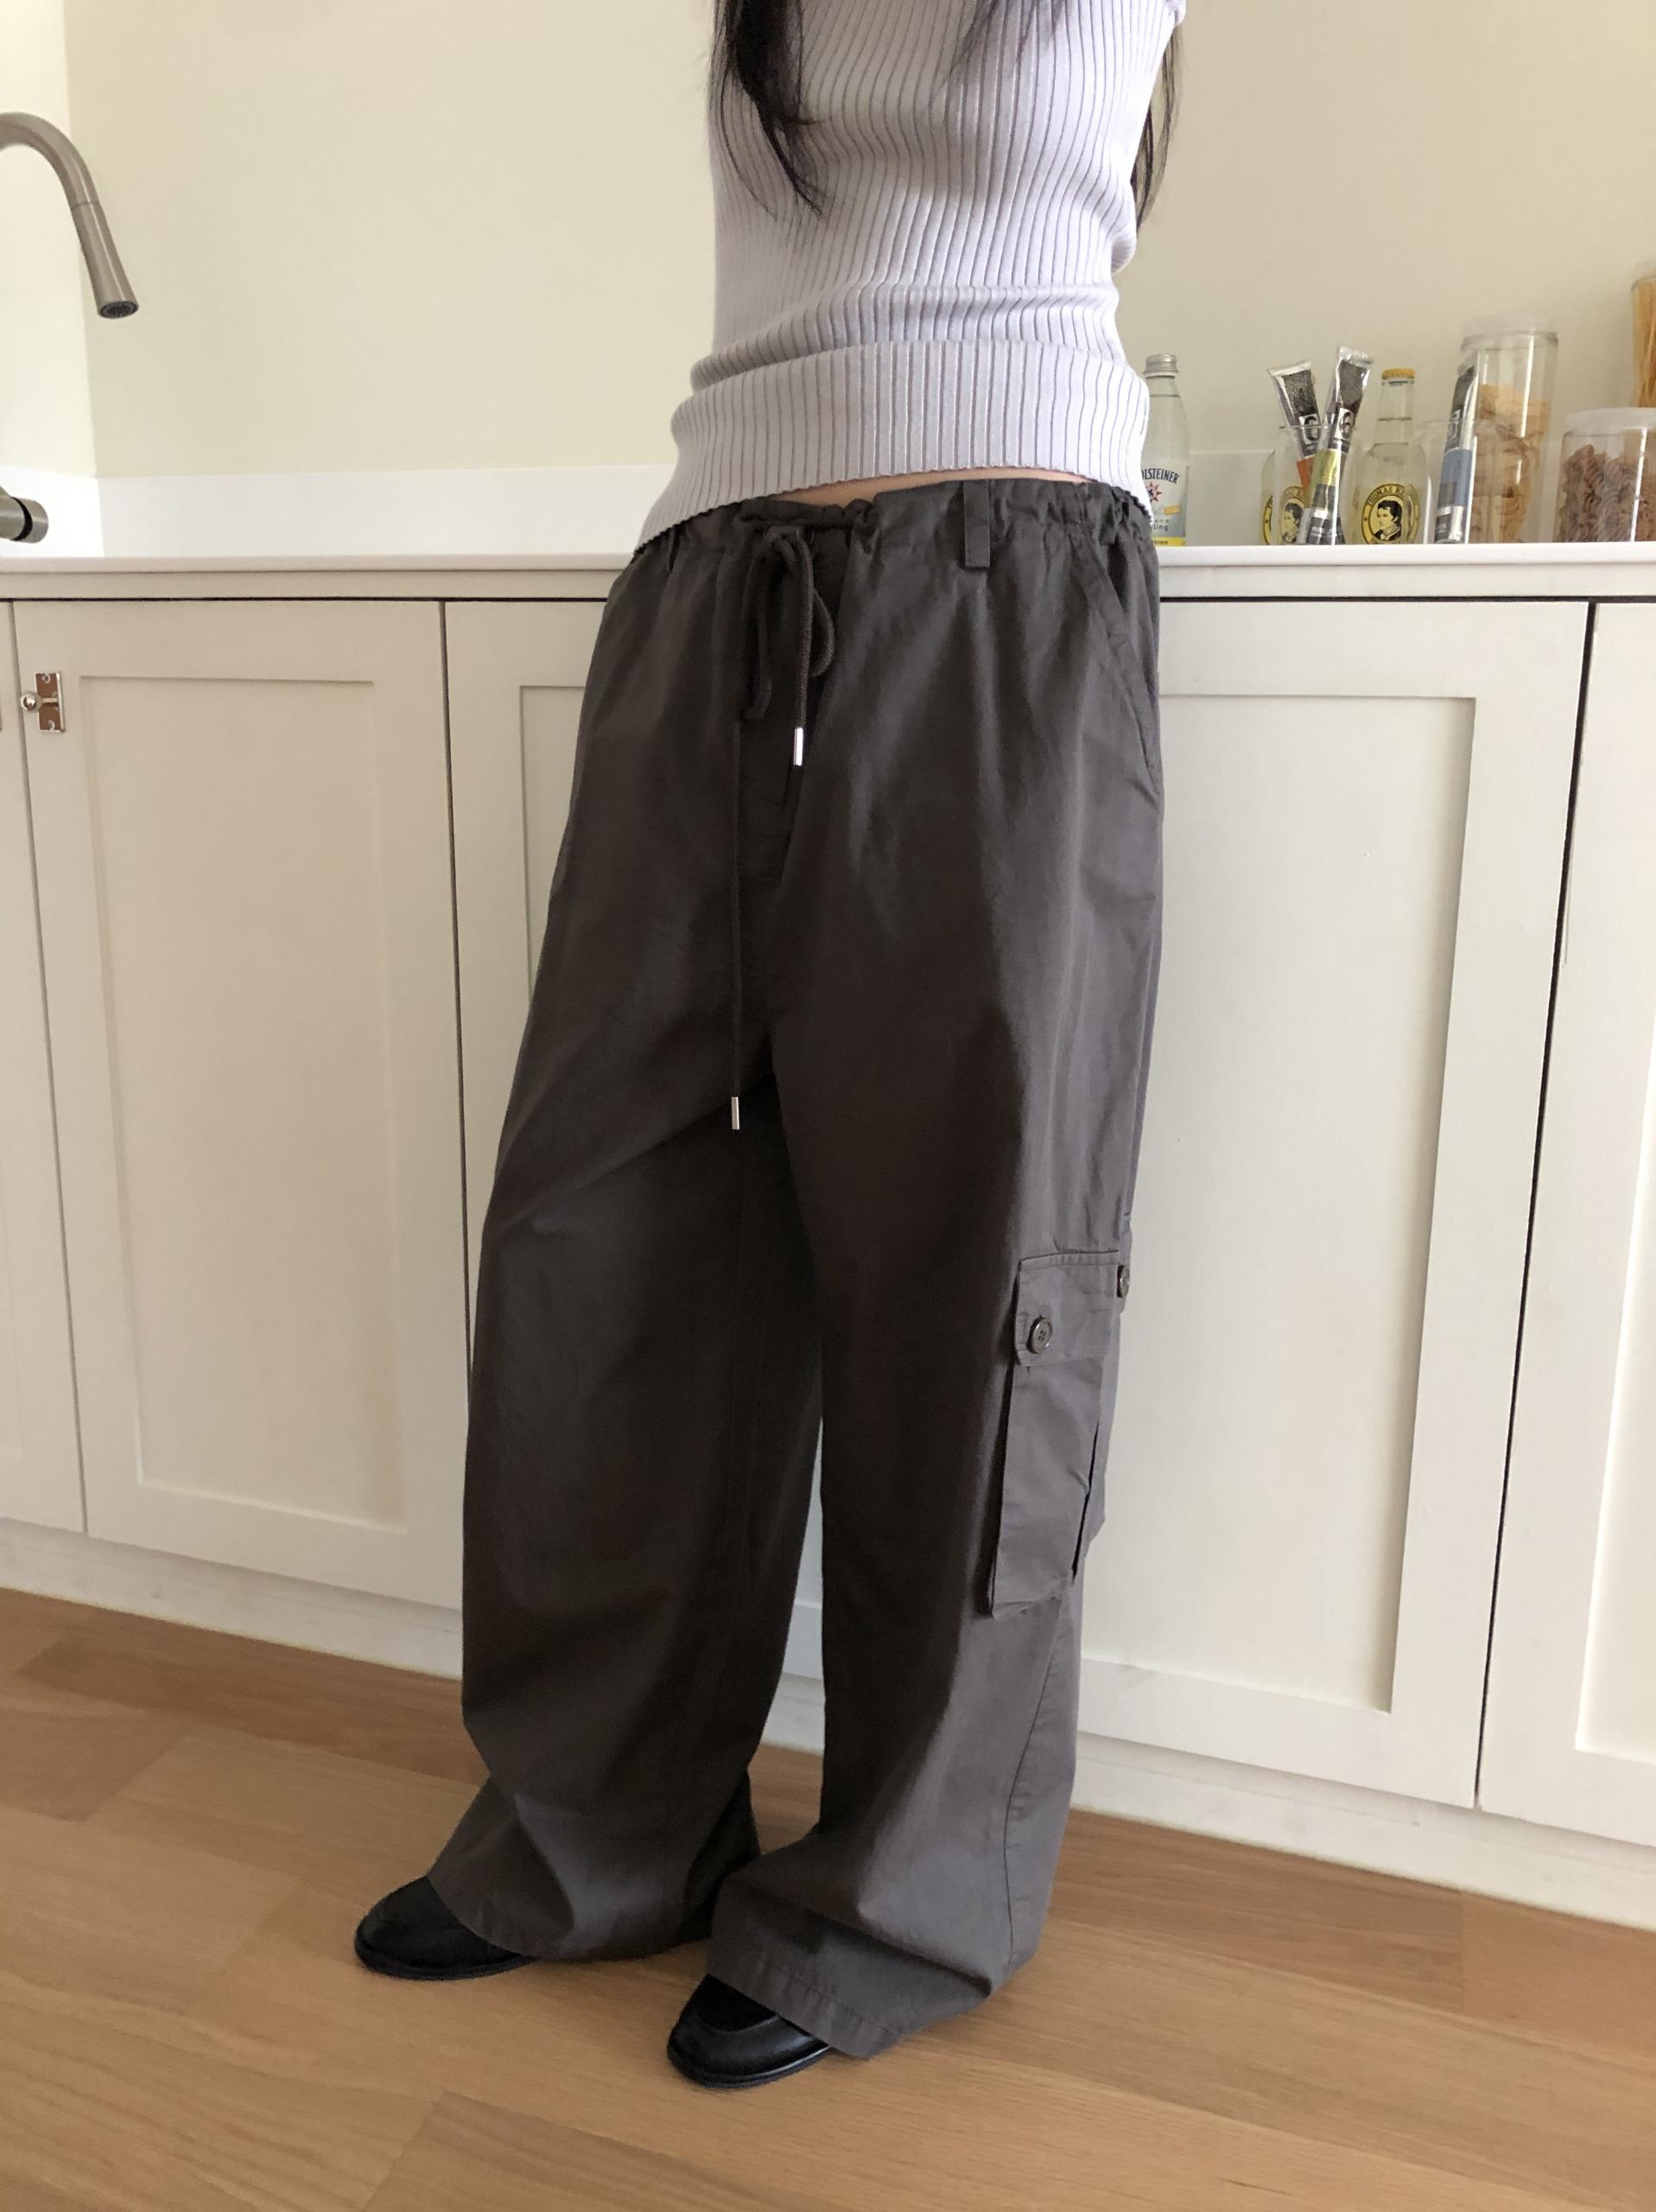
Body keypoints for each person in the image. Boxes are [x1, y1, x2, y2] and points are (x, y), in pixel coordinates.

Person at [354, 0, 1183, 2091]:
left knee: (970, 1263)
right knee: (608, 1234)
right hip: (707, 575)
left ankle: (903, 1892)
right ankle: (598, 1825)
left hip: (1002, 585)